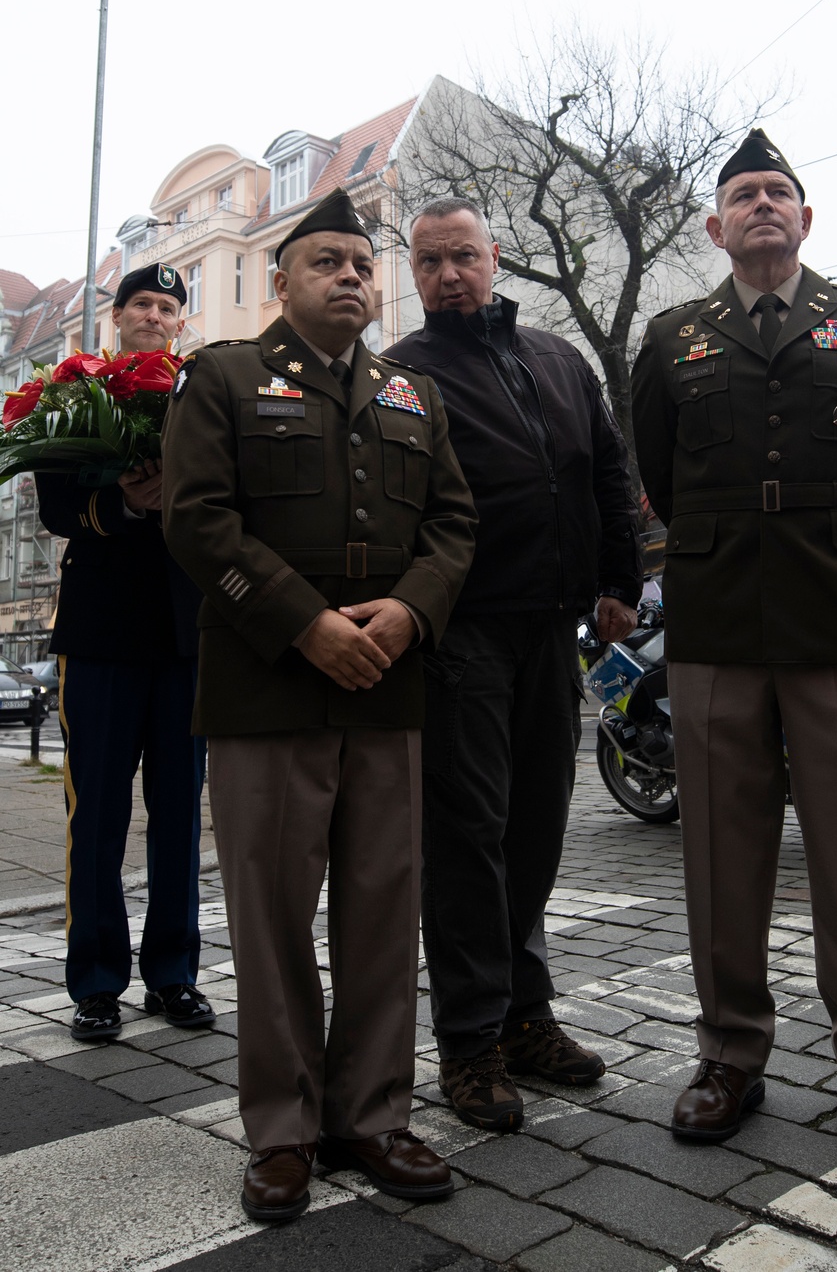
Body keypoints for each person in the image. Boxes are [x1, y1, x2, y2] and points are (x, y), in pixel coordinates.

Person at [631, 130, 837, 1168]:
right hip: (719, 622)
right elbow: (664, 477)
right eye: (741, 194)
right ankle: (729, 1053)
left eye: (778, 191)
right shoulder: (672, 336)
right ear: (714, 226)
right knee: (720, 856)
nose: (761, 204)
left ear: (804, 219)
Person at [161, 189, 476, 1223]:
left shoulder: (410, 396)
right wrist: (305, 623)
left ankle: (373, 1113)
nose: (350, 273)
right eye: (326, 260)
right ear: (283, 278)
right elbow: (198, 521)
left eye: (359, 260)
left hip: (388, 688)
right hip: (268, 693)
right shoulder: (223, 376)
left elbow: (452, 524)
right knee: (274, 921)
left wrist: (409, 614)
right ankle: (285, 1129)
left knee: (385, 913)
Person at [386, 197, 642, 1131]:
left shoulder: (560, 361)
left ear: (497, 258)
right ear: (412, 276)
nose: (448, 275)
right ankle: (471, 1043)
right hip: (461, 636)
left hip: (556, 628)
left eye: (463, 256)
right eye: (428, 262)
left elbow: (607, 472)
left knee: (536, 827)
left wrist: (623, 576)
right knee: (466, 839)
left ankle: (526, 1016)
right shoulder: (400, 374)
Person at [36, 262, 214, 1042]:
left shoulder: (207, 395)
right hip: (100, 638)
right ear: (118, 319)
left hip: (185, 641)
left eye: (168, 306)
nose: (154, 314)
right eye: (141, 303)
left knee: (179, 819)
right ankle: (98, 982)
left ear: (180, 321)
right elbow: (56, 509)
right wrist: (125, 502)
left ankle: (172, 975)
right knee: (98, 818)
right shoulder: (75, 397)